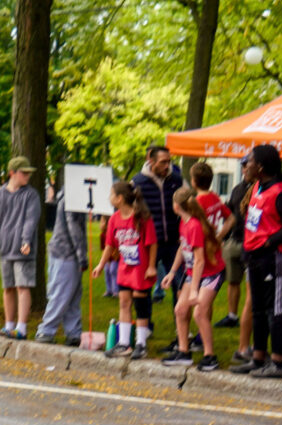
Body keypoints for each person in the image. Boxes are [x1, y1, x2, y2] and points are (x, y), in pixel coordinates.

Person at [233, 144, 282, 379]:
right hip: (254, 256)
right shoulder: (258, 186)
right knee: (258, 309)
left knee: (275, 309)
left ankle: (279, 361)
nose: (246, 164)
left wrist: (267, 243)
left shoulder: (280, 191)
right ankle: (258, 357)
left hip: (273, 257)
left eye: (249, 161)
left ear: (259, 166)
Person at [0, 156, 40, 339]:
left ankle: (21, 328)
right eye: (23, 172)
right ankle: (8, 325)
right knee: (8, 288)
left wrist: (26, 240)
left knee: (22, 287)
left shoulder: (31, 195)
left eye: (28, 173)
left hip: (23, 251)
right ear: (12, 173)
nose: (27, 176)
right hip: (5, 248)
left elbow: (31, 220)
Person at [93, 180, 157, 358]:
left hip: (140, 269)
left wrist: (151, 266)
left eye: (111, 194)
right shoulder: (114, 219)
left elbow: (152, 244)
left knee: (140, 303)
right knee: (124, 302)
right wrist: (100, 264)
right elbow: (109, 245)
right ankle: (124, 343)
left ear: (120, 198)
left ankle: (141, 343)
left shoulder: (142, 218)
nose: (109, 198)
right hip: (125, 268)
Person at [162, 187, 224, 369]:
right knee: (180, 310)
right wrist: (172, 272)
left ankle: (210, 356)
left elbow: (199, 260)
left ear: (176, 205)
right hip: (194, 273)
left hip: (210, 273)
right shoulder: (184, 222)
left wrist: (194, 290)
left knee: (199, 313)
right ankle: (183, 352)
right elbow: (183, 248)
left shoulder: (195, 225)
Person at [37, 182, 88, 346]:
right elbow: (74, 229)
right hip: (66, 253)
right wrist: (82, 256)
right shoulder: (72, 200)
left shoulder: (70, 197)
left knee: (72, 295)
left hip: (64, 252)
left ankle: (73, 331)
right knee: (61, 293)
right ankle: (46, 330)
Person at [133, 145, 182, 301]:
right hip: (148, 243)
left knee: (179, 283)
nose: (167, 166)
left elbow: (188, 207)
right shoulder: (137, 182)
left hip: (174, 242)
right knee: (144, 284)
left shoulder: (177, 180)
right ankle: (144, 324)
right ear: (151, 161)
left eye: (169, 161)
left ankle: (180, 324)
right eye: (163, 162)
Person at [216, 156, 255, 330]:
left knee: (252, 283)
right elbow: (230, 213)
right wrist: (224, 238)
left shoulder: (260, 188)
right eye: (243, 166)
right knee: (232, 280)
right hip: (235, 239)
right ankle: (232, 315)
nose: (245, 169)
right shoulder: (237, 189)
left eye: (248, 166)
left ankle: (252, 314)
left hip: (253, 242)